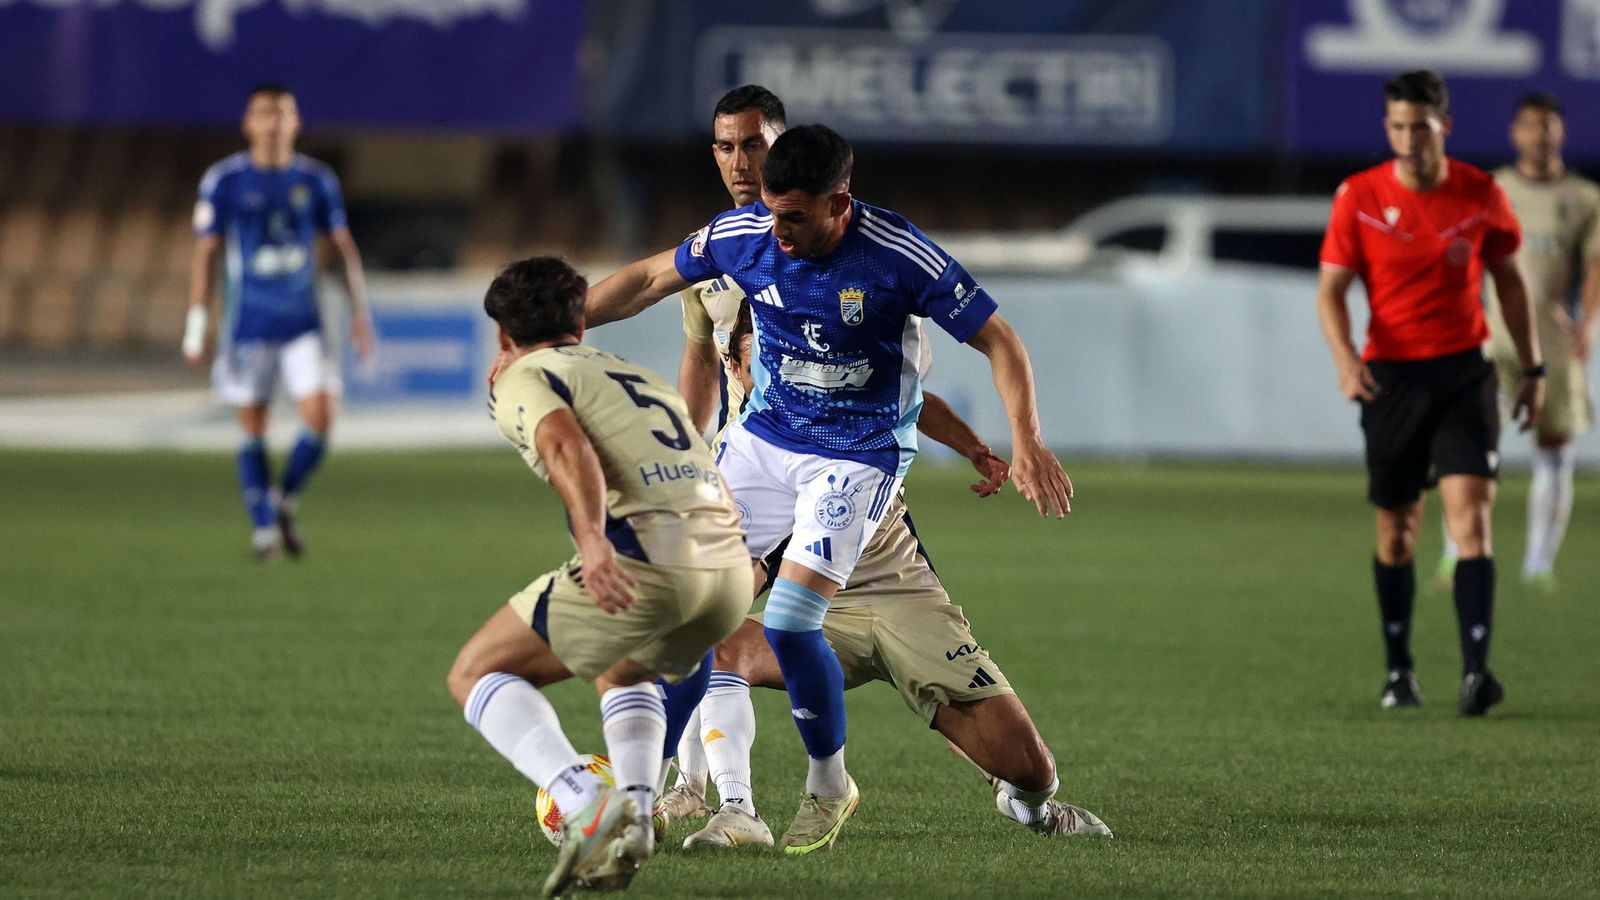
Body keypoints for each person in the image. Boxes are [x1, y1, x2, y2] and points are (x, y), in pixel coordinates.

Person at [585, 121, 1076, 852]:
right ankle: (641, 797)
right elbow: (649, 279)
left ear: (839, 202)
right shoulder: (746, 233)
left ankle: (828, 785)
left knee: (786, 623)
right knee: (688, 612)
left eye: (794, 216)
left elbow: (999, 338)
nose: (776, 230)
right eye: (771, 212)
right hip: (763, 442)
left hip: (854, 458)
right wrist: (556, 329)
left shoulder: (897, 255)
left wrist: (1025, 439)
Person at [448, 257, 754, 896]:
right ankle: (637, 821)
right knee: (626, 669)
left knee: (476, 672)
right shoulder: (632, 374)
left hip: (651, 561)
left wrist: (593, 542)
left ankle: (584, 800)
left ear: (503, 336)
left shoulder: (524, 376)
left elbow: (565, 444)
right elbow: (699, 452)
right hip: (730, 569)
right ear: (581, 324)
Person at [1316, 70, 1543, 717]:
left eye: (1420, 125)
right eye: (1397, 126)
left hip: (1465, 376)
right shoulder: (1359, 196)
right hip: (1392, 379)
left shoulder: (1480, 193)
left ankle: (1477, 673)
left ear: (1444, 125)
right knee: (1398, 533)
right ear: (1387, 129)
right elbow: (1331, 290)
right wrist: (1343, 359)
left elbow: (1511, 284)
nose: (1408, 137)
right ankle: (1400, 671)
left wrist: (1532, 369)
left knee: (1472, 521)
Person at [183, 82, 375, 560]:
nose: (273, 123)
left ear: (296, 122)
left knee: (322, 415)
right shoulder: (224, 180)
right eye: (264, 114)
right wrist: (196, 321)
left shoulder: (315, 180)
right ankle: (264, 530)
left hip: (304, 323)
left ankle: (281, 499)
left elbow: (342, 245)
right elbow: (206, 253)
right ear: (248, 124)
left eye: (281, 114)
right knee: (253, 424)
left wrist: (359, 312)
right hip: (247, 324)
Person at [1435, 92, 1600, 589]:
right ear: (1515, 133)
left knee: (1555, 446)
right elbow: (1460, 254)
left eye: (1547, 125)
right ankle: (1455, 554)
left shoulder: (1584, 198)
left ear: (1561, 132)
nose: (1539, 134)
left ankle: (1537, 565)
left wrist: (1588, 324)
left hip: (1551, 341)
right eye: (1530, 125)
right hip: (1493, 338)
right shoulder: (1493, 190)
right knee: (1470, 443)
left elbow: (1595, 265)